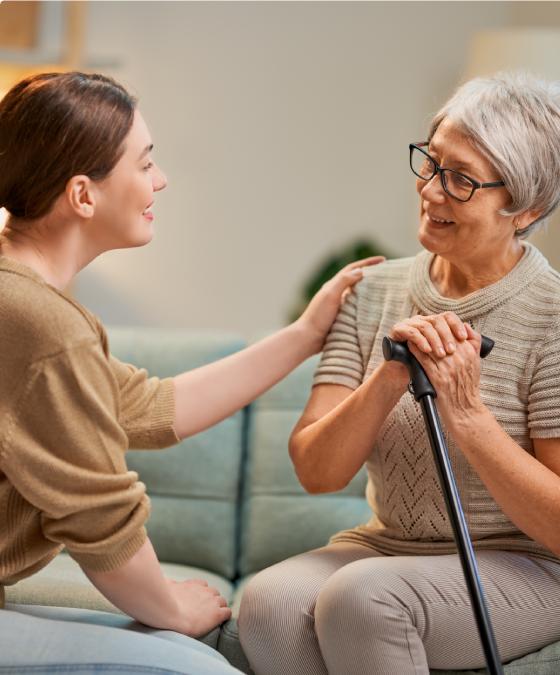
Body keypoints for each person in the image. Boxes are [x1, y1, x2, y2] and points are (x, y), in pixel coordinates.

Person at [0, 71, 383, 671]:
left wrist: (306, 335)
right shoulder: (40, 323)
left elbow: (148, 408)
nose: (161, 179)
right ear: (83, 195)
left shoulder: (26, 303)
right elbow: (98, 515)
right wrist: (171, 611)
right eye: (144, 163)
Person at [238, 71, 560, 675]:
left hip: (536, 566)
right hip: (388, 545)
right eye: (431, 163)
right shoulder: (371, 291)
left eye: (461, 179)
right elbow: (317, 472)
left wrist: (466, 411)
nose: (431, 190)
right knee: (269, 604)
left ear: (526, 207)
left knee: (365, 598)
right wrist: (390, 378)